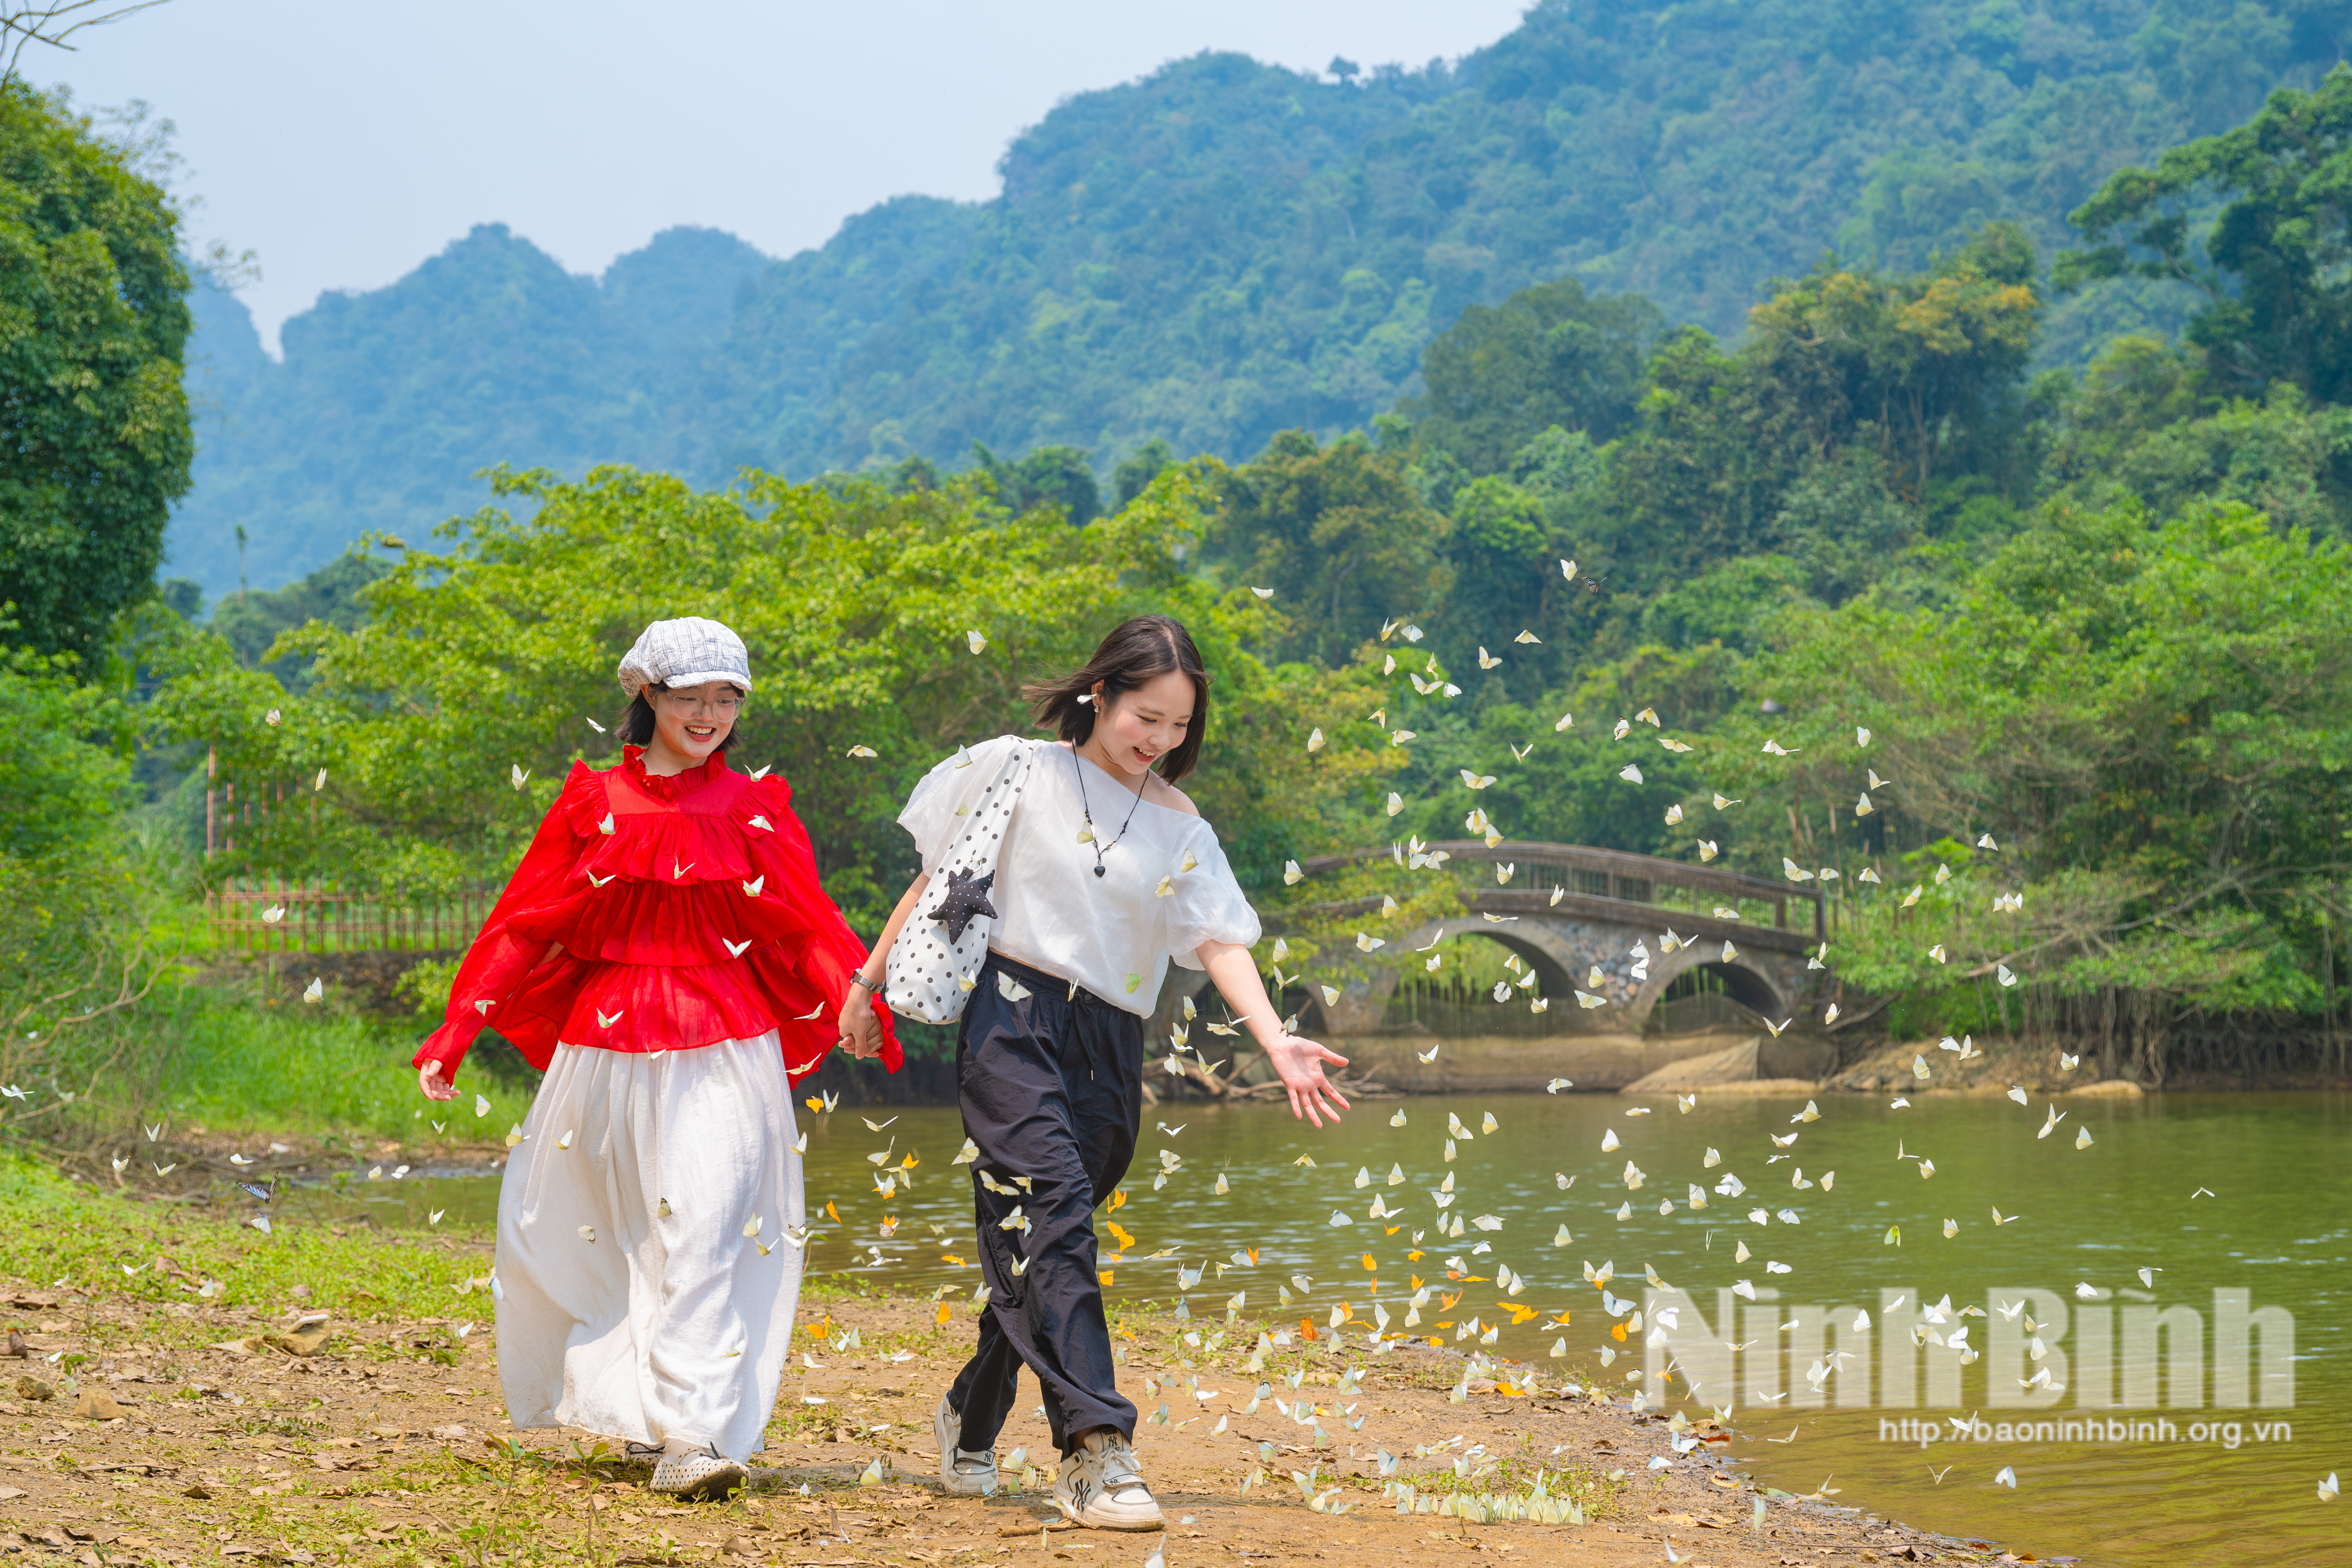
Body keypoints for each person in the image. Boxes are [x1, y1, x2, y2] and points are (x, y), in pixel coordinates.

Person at [836, 614, 1349, 1530]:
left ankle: (972, 1413)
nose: (1158, 739)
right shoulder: (1020, 770)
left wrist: (1274, 1038)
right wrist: (865, 985)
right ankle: (1095, 1452)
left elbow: (1217, 939)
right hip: (1013, 1020)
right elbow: (936, 882)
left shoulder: (1180, 821)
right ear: (1100, 693)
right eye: (1145, 715)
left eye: (1179, 726)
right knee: (1054, 1213)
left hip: (1112, 1045)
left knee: (1047, 1236)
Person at [413, 616, 898, 1500]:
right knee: (603, 1226)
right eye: (689, 696)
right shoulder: (592, 803)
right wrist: (458, 1027)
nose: (709, 713)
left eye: (727, 697)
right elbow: (525, 921)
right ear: (647, 695)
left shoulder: (756, 809)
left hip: (726, 1043)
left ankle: (692, 1436)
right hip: (606, 1050)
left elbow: (807, 922)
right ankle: (640, 1408)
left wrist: (855, 1002)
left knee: (708, 1224)